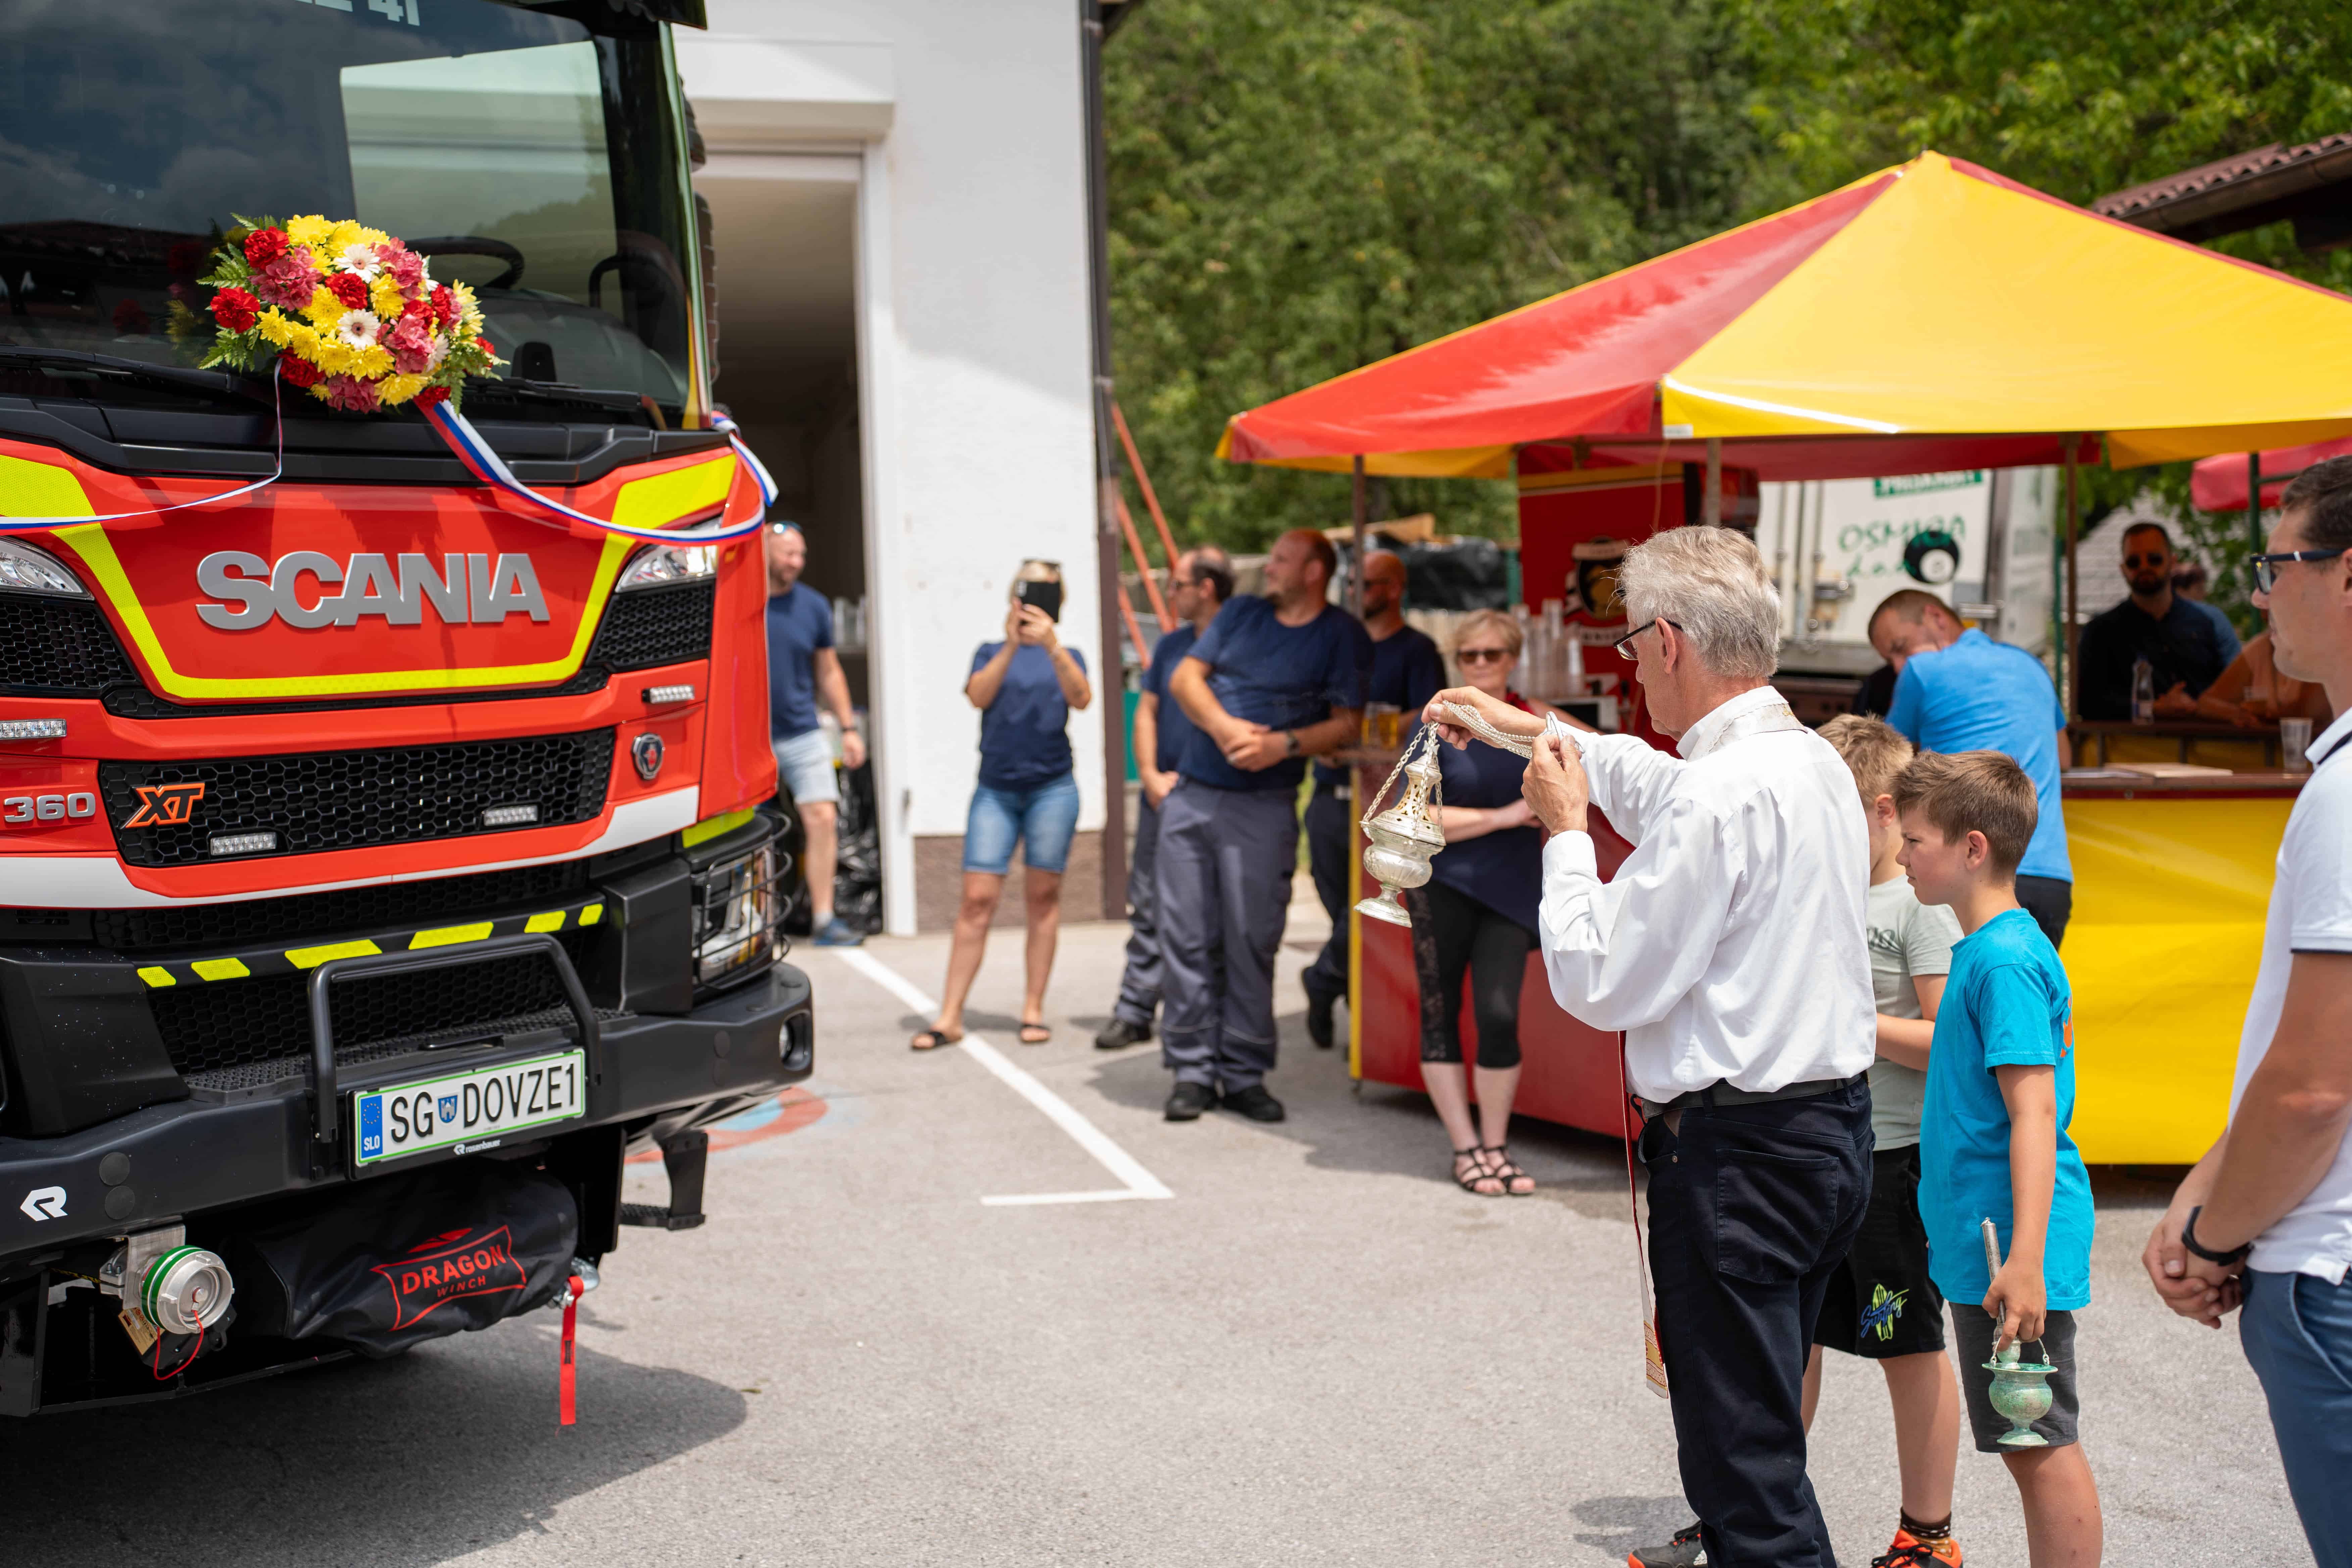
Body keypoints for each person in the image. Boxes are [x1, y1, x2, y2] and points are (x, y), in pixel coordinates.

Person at [1427, 526, 1876, 1568]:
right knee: (1755, 1443)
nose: (1628, 669)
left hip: (1741, 1156)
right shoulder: (1803, 759)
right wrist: (1525, 729)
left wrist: (1564, 836)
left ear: (1669, 641)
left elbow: (1600, 978)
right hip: (1818, 1132)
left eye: (1629, 646)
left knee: (1745, 1472)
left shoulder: (1727, 789)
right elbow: (1653, 782)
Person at [2142, 456, 2352, 1568]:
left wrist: (2213, 1233)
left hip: (2328, 1272)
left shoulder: (2346, 792)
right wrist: (2202, 1192)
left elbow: (2315, 1083)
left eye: (2279, 564)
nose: (2262, 594)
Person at [1896, 750, 2101, 1568]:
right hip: (1985, 1242)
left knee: (2037, 1437)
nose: (1904, 853)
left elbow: (2034, 1113)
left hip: (2008, 1249)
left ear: (1972, 847)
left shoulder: (2006, 958)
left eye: (1915, 839)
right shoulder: (1984, 949)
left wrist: (2022, 1261)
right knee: (2025, 1435)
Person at [1810, 716, 1968, 1567]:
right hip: (1817, 1150)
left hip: (1893, 1163)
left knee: (1906, 1344)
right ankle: (1753, 1505)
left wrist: (1851, 1024)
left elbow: (1948, 1039)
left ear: (1877, 809)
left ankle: (1927, 1532)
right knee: (1788, 1337)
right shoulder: (1822, 889)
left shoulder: (1915, 905)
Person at [1159, 528, 1369, 1123]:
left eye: (1279, 559)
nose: (1267, 567)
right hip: (1193, 796)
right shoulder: (1243, 612)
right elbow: (1183, 680)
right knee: (1186, 937)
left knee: (1252, 938)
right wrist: (1228, 731)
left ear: (1312, 570)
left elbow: (1348, 723)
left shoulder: (1341, 635)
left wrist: (1284, 744)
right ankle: (1192, 1071)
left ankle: (1244, 1071)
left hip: (1266, 804)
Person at [1402, 611, 1570, 1197]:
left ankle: (1494, 1144)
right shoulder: (1435, 726)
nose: (1479, 664)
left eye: (1491, 654)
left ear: (1511, 657)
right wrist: (1503, 818)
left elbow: (1590, 766)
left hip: (1512, 886)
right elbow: (1415, 818)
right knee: (1439, 1011)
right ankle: (1464, 1147)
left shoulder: (1533, 723)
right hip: (1440, 881)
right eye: (1468, 655)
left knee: (1498, 1013)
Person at [909, 561, 1092, 1051]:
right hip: (995, 791)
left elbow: (1083, 699)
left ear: (1059, 600)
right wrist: (1013, 643)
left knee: (1042, 899)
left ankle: (1033, 1009)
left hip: (1052, 789)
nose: (1034, 598)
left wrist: (1051, 645)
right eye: (1027, 587)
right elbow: (978, 695)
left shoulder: (1068, 654)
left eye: (1046, 590)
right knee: (977, 901)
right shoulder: (991, 651)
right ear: (1013, 595)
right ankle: (949, 1016)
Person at [1869, 590, 2075, 947]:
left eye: (1901, 647)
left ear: (1936, 617)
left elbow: (1884, 762)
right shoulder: (2031, 665)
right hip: (2050, 878)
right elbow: (2065, 757)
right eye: (1891, 658)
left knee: (1959, 1004)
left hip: (1969, 876)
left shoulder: (1922, 671)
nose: (1899, 666)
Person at [1302, 548, 1446, 1050]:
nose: (1355, 594)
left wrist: (1372, 735)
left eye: (1368, 584)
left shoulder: (1418, 650)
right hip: (1328, 796)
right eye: (1352, 584)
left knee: (1367, 909)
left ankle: (1323, 981)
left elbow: (1428, 716)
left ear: (1393, 589)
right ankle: (1344, 991)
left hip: (1382, 801)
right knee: (1341, 907)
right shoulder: (1336, 644)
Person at [1095, 546, 1232, 1051]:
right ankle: (1134, 1009)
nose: (1169, 593)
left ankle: (1210, 1019)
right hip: (1167, 797)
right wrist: (1150, 776)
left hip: (1224, 800)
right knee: (1149, 904)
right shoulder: (1172, 647)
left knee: (1216, 915)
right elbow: (1147, 712)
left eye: (1177, 585)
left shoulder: (1241, 646)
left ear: (1207, 588)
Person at [765, 521, 867, 947]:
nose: (797, 562)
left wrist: (849, 728)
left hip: (802, 731)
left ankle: (825, 919)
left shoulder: (813, 606)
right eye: (789, 553)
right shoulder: (738, 600)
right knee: (754, 829)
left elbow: (829, 670)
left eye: (801, 555)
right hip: (749, 736)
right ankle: (759, 925)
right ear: (765, 548)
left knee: (823, 817)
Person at [2074, 521, 2235, 721]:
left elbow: (2232, 690)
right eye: (2134, 562)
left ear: (2172, 562)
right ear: (2123, 569)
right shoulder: (2100, 632)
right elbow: (2087, 703)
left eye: (2154, 559)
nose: (2144, 567)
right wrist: (2153, 708)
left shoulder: (2205, 623)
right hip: (2132, 750)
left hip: (2207, 747)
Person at [2192, 624, 2334, 730]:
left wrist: (2264, 713)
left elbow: (2309, 712)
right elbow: (2206, 703)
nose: (2260, 602)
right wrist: (2237, 713)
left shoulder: (2327, 648)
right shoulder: (2261, 647)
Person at [2170, 559, 2247, 665]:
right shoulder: (2213, 616)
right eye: (2199, 589)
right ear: (2180, 591)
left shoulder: (2155, 616)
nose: (2205, 594)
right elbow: (2235, 660)